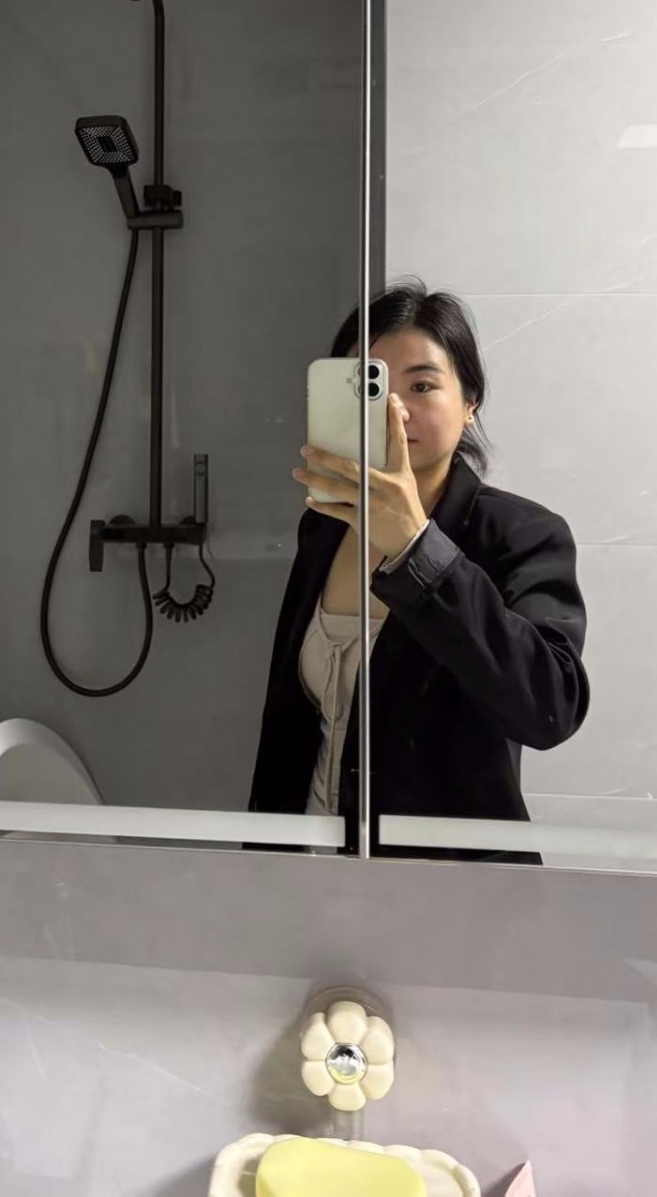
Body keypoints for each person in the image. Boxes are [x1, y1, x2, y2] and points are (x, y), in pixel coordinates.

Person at [250, 279, 588, 856]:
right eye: (370, 387)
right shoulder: (326, 528)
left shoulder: (520, 535)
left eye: (423, 385)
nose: (395, 410)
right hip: (309, 864)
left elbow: (549, 709)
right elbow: (290, 725)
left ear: (470, 401)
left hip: (444, 881)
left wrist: (415, 547)